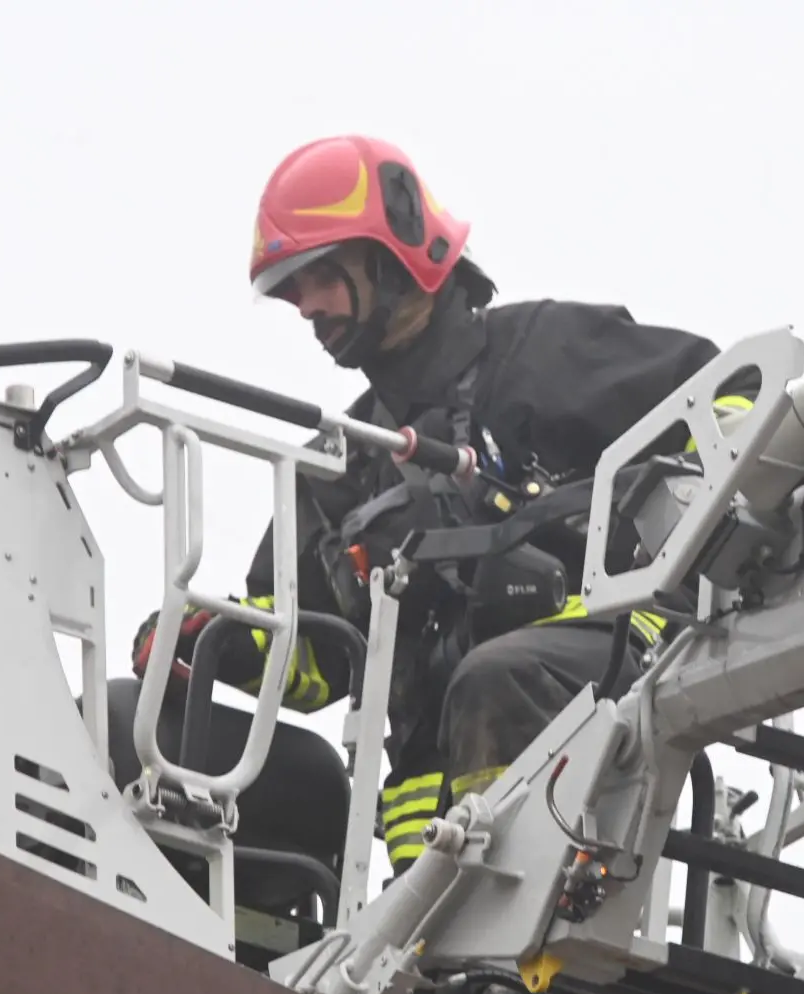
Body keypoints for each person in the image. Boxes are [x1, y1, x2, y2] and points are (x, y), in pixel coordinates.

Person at [130, 134, 749, 877]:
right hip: (429, 847)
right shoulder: (342, 462)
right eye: (292, 290)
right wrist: (214, 643)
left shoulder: (540, 353)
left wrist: (660, 536)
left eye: (320, 276)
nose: (307, 307)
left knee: (495, 675)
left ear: (395, 254)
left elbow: (730, 402)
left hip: (608, 690)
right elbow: (316, 650)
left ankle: (514, 898)